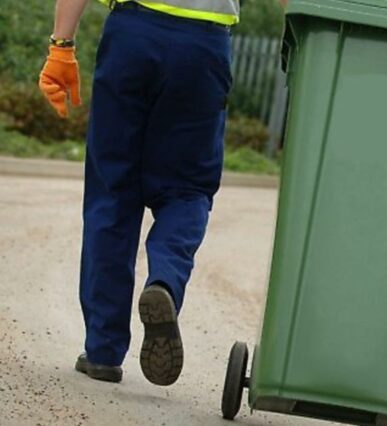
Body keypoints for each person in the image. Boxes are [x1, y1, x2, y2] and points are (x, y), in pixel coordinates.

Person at [39, 0, 239, 385]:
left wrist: (61, 46)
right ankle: (164, 281)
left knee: (113, 192)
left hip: (132, 36)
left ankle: (103, 351)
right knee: (188, 190)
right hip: (203, 49)